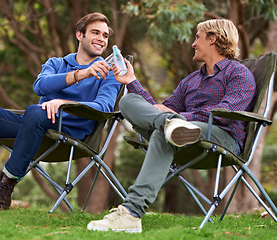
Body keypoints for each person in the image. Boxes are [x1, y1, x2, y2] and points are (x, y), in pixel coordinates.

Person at [0, 12, 121, 212]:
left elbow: (104, 107)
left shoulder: (109, 72)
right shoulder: (56, 63)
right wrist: (82, 73)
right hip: (33, 125)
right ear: (79, 35)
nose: (101, 39)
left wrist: (63, 103)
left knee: (35, 111)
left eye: (105, 35)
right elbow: (39, 86)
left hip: (67, 135)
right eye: (95, 33)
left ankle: (5, 186)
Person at [87, 19, 256, 233]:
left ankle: (131, 212)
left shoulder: (239, 73)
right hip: (181, 135)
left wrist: (180, 116)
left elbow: (227, 113)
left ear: (212, 39)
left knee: (166, 130)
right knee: (128, 102)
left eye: (198, 37)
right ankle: (170, 126)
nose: (193, 44)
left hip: (222, 137)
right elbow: (160, 109)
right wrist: (131, 81)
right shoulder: (191, 80)